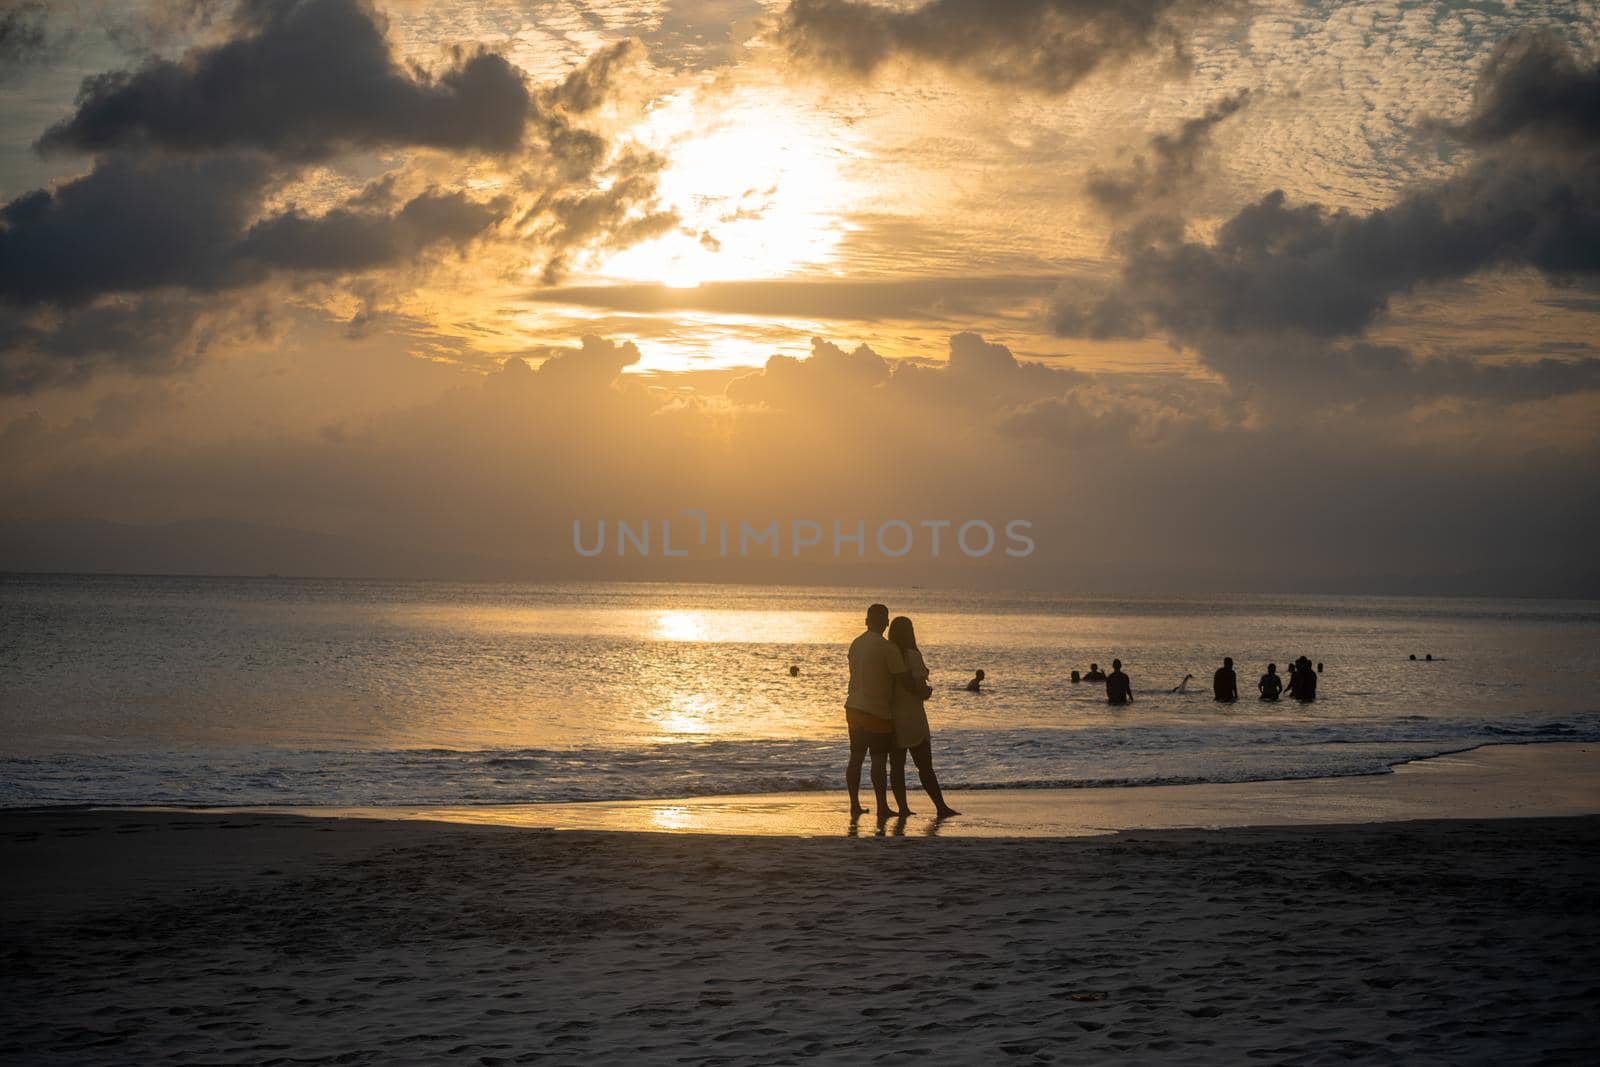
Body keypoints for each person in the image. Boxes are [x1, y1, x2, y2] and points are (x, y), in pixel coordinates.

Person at [845, 604, 930, 818]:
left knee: (855, 758)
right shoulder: (887, 648)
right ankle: (882, 807)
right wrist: (924, 690)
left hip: (853, 707)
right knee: (878, 760)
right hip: (877, 710)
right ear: (886, 622)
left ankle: (854, 805)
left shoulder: (855, 644)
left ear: (866, 621)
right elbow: (904, 681)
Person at [886, 616, 959, 818]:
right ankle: (940, 807)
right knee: (925, 766)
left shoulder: (888, 654)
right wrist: (928, 691)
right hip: (913, 718)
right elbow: (918, 689)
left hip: (892, 717)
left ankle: (903, 808)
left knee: (897, 767)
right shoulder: (912, 655)